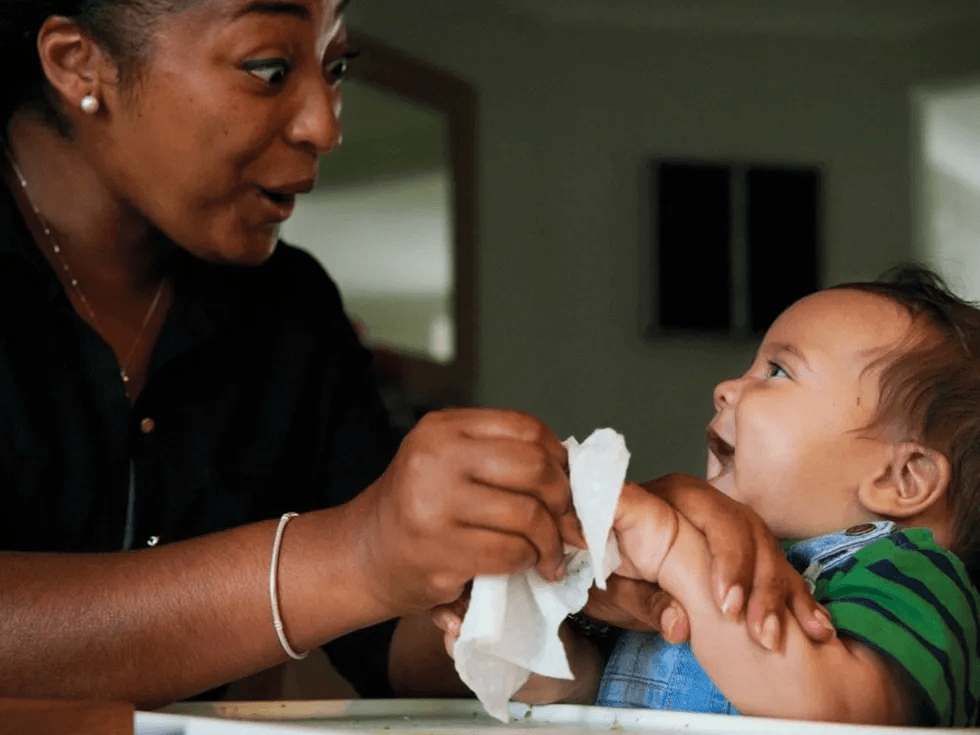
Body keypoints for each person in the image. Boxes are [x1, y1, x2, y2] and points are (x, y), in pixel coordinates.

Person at [0, 0, 833, 708]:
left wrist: (568, 557)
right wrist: (352, 553)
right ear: (80, 65)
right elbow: (360, 566)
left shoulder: (291, 313)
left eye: (335, 67)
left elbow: (395, 643)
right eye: (266, 67)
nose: (325, 124)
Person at [471, 267, 980, 726]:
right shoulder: (683, 565)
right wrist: (560, 671)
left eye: (778, 371)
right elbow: (626, 701)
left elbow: (836, 709)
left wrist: (675, 552)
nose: (725, 388)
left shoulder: (914, 579)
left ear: (903, 479)